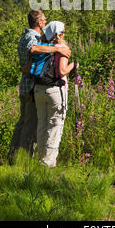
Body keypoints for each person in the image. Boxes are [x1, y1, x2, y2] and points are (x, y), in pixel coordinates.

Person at [8, 11, 71, 163]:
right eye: (44, 19)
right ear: (39, 22)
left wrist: (24, 67)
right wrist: (57, 48)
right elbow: (33, 49)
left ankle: (13, 156)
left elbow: (27, 64)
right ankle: (24, 159)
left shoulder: (25, 35)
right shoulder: (32, 37)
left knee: (24, 122)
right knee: (30, 125)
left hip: (27, 84)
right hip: (31, 85)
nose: (45, 22)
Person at [34, 21, 78, 168]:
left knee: (42, 125)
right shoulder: (62, 48)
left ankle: (41, 159)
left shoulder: (42, 47)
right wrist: (74, 65)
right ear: (58, 34)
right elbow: (62, 71)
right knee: (54, 126)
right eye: (63, 31)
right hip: (55, 91)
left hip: (38, 90)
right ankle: (47, 165)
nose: (65, 33)